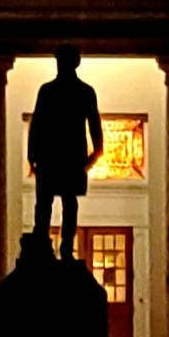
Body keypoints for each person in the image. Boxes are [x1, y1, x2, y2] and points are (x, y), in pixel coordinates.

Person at [26, 46, 102, 261]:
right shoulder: (78, 91)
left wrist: (95, 154)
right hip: (63, 156)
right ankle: (52, 243)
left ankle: (60, 245)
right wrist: (33, 154)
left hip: (63, 156)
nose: (60, 64)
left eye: (63, 60)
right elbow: (37, 123)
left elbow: (37, 123)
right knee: (53, 202)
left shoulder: (52, 91)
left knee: (61, 202)